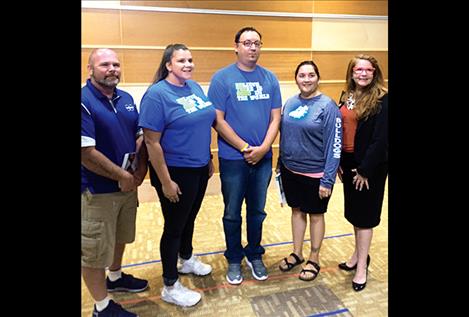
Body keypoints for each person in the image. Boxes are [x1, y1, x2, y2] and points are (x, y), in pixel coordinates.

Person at [138, 44, 215, 307]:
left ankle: (186, 258)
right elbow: (151, 143)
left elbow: (202, 124)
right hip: (174, 171)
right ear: (168, 65)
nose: (188, 64)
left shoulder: (194, 87)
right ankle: (170, 285)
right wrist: (166, 181)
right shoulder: (156, 95)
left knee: (189, 217)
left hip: (198, 167)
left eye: (191, 59)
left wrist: (208, 158)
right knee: (173, 227)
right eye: (181, 60)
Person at [208, 26, 282, 284]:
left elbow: (276, 118)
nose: (252, 48)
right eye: (247, 43)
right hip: (232, 159)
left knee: (257, 211)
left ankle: (254, 253)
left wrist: (263, 149)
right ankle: (233, 258)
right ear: (236, 46)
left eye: (257, 43)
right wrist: (243, 147)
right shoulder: (221, 79)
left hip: (263, 158)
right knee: (232, 212)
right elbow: (217, 120)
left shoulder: (270, 79)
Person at [81, 48, 149, 317]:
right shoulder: (83, 100)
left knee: (120, 236)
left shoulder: (127, 98)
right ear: (90, 69)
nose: (112, 69)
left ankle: (116, 277)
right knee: (93, 250)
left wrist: (139, 172)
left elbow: (139, 136)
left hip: (126, 186)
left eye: (116, 64)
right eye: (105, 64)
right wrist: (123, 177)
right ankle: (101, 306)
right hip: (96, 191)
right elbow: (86, 153)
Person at [277, 61, 342, 282]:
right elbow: (285, 135)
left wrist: (328, 179)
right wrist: (280, 164)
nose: (306, 79)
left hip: (316, 174)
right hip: (290, 170)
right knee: (296, 211)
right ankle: (297, 252)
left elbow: (335, 145)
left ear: (318, 77)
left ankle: (314, 258)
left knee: (315, 215)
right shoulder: (291, 102)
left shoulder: (328, 106)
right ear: (296, 78)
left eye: (311, 75)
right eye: (302, 75)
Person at [336, 54, 388, 292]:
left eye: (368, 70)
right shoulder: (347, 96)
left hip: (370, 167)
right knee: (355, 213)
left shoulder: (383, 100)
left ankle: (361, 269)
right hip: (348, 162)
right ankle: (357, 255)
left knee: (365, 217)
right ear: (352, 72)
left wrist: (365, 170)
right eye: (359, 70)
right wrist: (338, 162)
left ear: (375, 73)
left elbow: (381, 140)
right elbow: (342, 129)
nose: (363, 73)